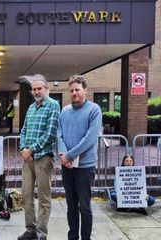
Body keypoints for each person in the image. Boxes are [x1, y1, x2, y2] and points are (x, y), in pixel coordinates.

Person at [57, 75, 102, 240]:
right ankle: (72, 237)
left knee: (84, 207)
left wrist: (68, 155)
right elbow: (58, 133)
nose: (74, 93)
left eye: (77, 89)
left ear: (85, 90)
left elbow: (90, 139)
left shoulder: (94, 109)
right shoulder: (65, 110)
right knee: (71, 206)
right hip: (67, 166)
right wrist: (63, 155)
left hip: (85, 166)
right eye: (71, 90)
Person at [18, 74, 60, 240]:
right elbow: (23, 130)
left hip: (43, 158)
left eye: (39, 89)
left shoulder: (53, 105)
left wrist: (32, 150)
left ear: (46, 89)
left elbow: (51, 134)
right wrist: (23, 148)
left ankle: (41, 233)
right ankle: (30, 230)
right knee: (26, 195)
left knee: (44, 197)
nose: (36, 91)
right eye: (34, 89)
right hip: (28, 159)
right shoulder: (31, 107)